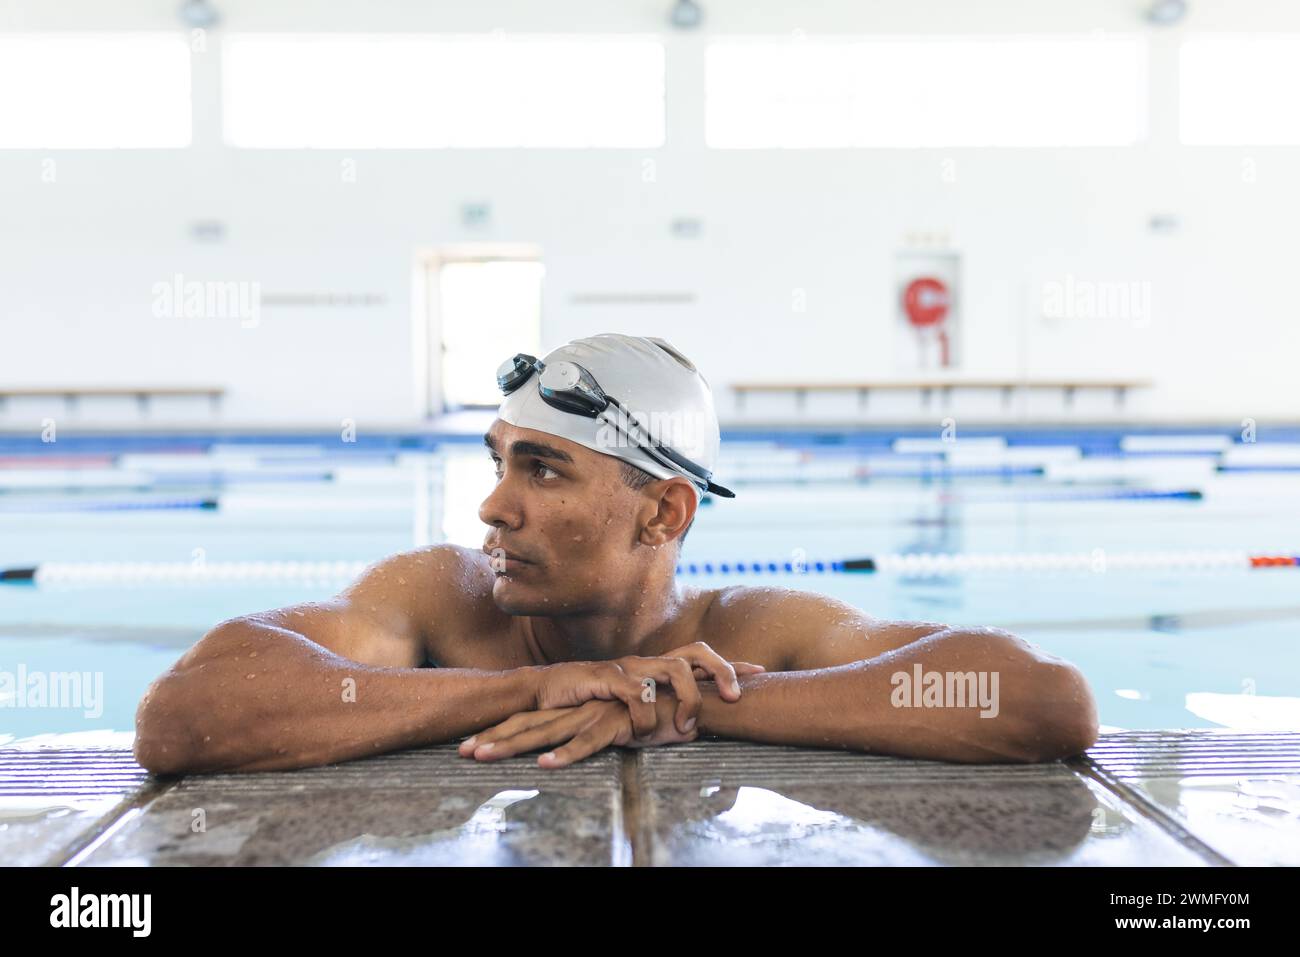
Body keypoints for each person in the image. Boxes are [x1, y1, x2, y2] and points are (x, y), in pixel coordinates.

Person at [134, 333, 1098, 774]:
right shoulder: (438, 596)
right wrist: (542, 687)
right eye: (501, 461)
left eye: (544, 471)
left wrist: (692, 703)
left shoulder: (745, 631)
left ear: (663, 514)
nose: (494, 506)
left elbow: (1042, 700)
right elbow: (184, 716)